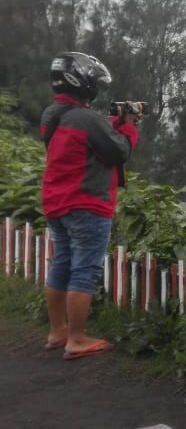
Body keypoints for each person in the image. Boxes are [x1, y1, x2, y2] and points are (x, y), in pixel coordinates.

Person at [39, 52, 141, 360]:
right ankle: (77, 339)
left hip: (56, 201)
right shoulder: (86, 119)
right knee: (84, 270)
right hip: (87, 203)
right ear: (81, 83)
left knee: (62, 264)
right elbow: (118, 151)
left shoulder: (52, 114)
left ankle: (58, 332)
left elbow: (84, 138)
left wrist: (109, 124)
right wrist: (129, 126)